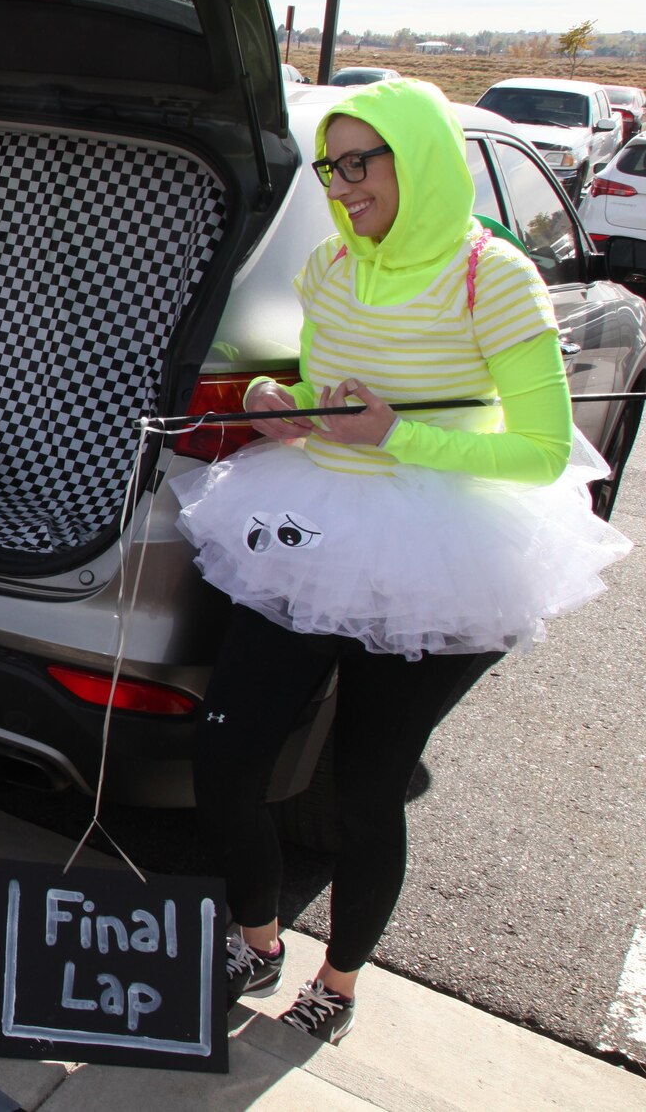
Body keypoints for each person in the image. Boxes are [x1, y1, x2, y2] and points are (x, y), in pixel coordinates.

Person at [171, 78, 631, 1044]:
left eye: (360, 162)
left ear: (415, 159)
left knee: (365, 788)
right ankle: (257, 938)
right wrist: (269, 394)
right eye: (330, 167)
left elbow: (545, 451)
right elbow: (317, 381)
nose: (341, 185)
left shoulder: (490, 274)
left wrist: (396, 439)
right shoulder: (331, 265)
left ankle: (338, 985)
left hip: (440, 543)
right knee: (224, 754)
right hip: (313, 522)